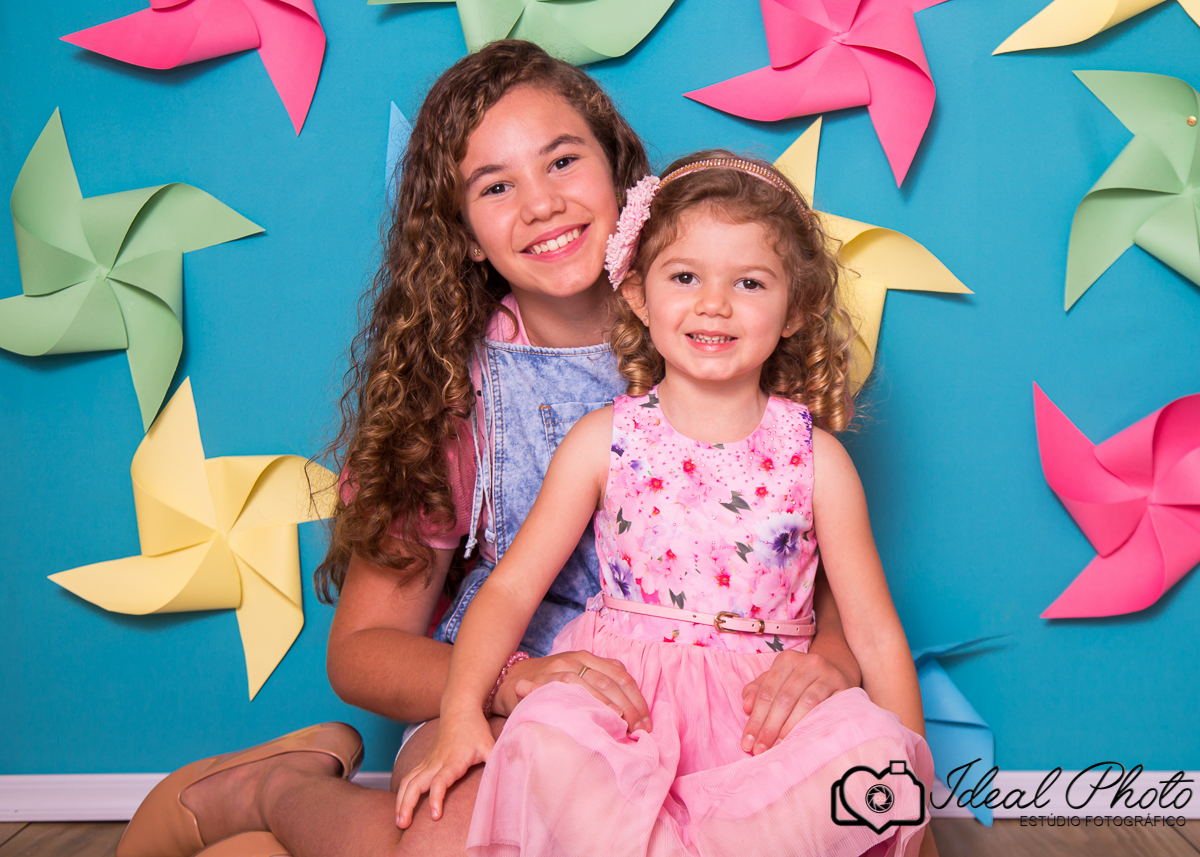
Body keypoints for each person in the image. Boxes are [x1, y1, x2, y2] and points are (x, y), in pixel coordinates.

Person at [115, 42, 863, 857]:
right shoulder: (452, 395)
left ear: (623, 176)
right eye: (495, 186)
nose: (541, 204)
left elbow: (809, 557)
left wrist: (829, 656)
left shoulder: (722, 329)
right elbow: (362, 649)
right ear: (465, 235)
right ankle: (272, 788)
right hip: (510, 699)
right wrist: (510, 679)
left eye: (562, 161)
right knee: (466, 841)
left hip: (708, 704)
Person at [395, 153, 937, 857]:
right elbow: (510, 590)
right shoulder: (603, 441)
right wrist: (462, 710)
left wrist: (915, 820)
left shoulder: (818, 461)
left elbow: (876, 636)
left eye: (749, 282)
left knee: (870, 754)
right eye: (685, 277)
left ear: (797, 308)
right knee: (548, 738)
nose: (714, 304)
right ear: (639, 294)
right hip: (630, 716)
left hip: (762, 727)